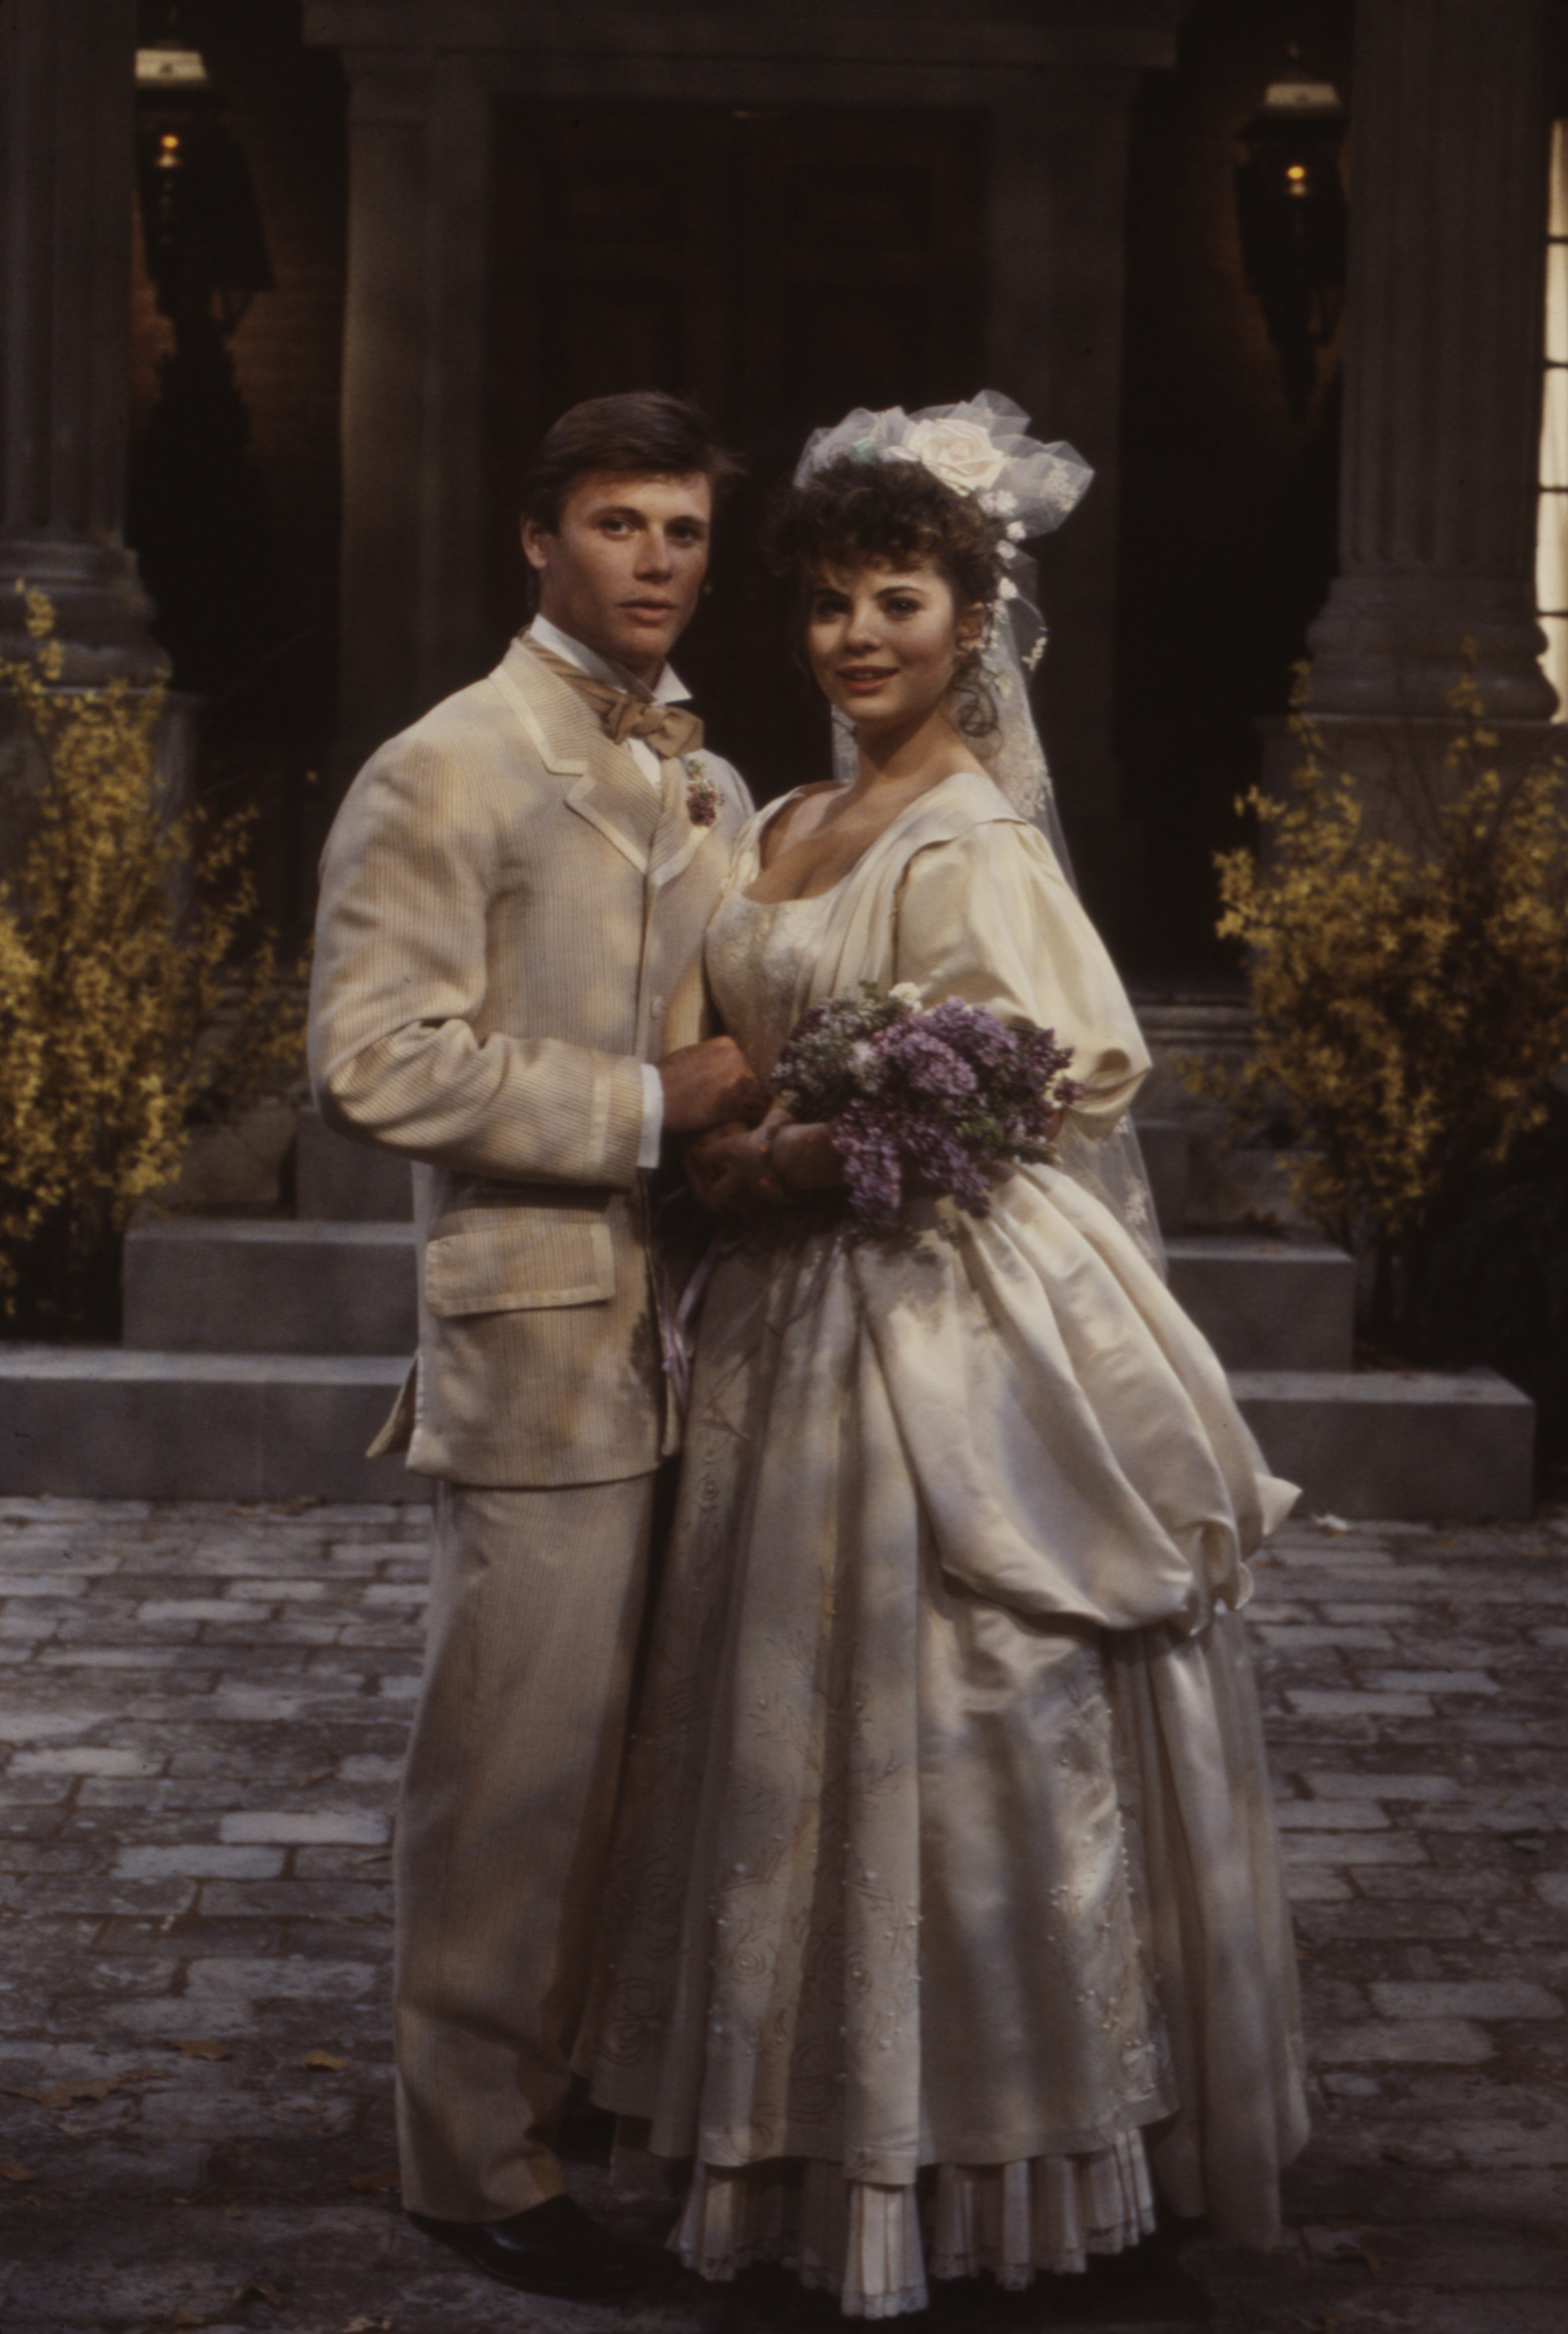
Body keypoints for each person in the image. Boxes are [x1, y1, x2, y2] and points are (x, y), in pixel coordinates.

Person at [580, 395, 1309, 2319]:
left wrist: (803, 1150)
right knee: (769, 1711)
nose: (855, 637)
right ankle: (784, 2113)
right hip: (771, 1317)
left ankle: (979, 2127)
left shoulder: (976, 832)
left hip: (928, 1307)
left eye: (895, 598)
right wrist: (715, 1145)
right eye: (825, 604)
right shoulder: (790, 816)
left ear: (971, 618)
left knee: (952, 1697)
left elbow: (1038, 1071)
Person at [307, 392, 760, 2302]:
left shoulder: (715, 781)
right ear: (536, 539)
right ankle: (467, 2156)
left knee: (636, 1767)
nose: (655, 559)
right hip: (542, 1336)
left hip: (712, 1339)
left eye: (681, 530)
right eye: (617, 523)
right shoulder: (446, 765)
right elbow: (374, 1060)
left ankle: (563, 2095)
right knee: (511, 1768)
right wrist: (646, 1107)